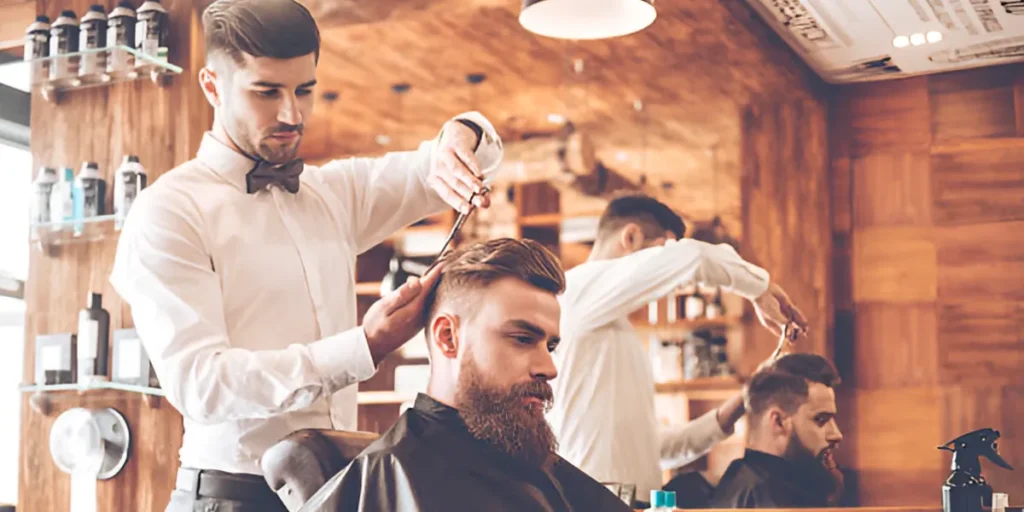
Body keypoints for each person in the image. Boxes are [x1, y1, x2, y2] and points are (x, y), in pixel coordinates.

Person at [108, 1, 503, 510]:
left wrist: (457, 136)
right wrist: (364, 346)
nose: (292, 114)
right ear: (212, 86)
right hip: (233, 496)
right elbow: (201, 386)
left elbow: (478, 151)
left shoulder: (333, 194)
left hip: (335, 490)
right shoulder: (169, 211)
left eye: (304, 90)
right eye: (266, 92)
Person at [300, 239, 632, 512]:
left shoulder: (519, 450)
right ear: (448, 337)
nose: (549, 367)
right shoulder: (396, 474)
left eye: (551, 345)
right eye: (522, 339)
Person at [547, 194, 809, 498]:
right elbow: (694, 258)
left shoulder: (614, 330)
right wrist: (758, 287)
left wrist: (740, 402)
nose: (674, 279)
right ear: (630, 237)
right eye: (664, 251)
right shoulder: (577, 291)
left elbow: (653, 449)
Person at [710, 352, 844, 507]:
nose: (837, 434)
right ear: (779, 422)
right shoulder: (763, 495)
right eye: (820, 420)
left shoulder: (756, 480)